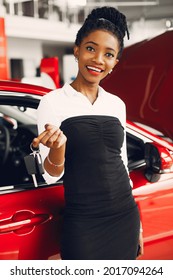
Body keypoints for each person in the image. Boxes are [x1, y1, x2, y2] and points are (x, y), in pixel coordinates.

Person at [32, 6, 144, 260]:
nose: (98, 60)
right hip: (84, 223)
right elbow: (51, 176)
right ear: (77, 50)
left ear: (115, 63)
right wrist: (58, 150)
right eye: (91, 48)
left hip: (124, 216)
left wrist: (137, 222)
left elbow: (122, 164)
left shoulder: (117, 104)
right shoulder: (52, 102)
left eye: (109, 54)